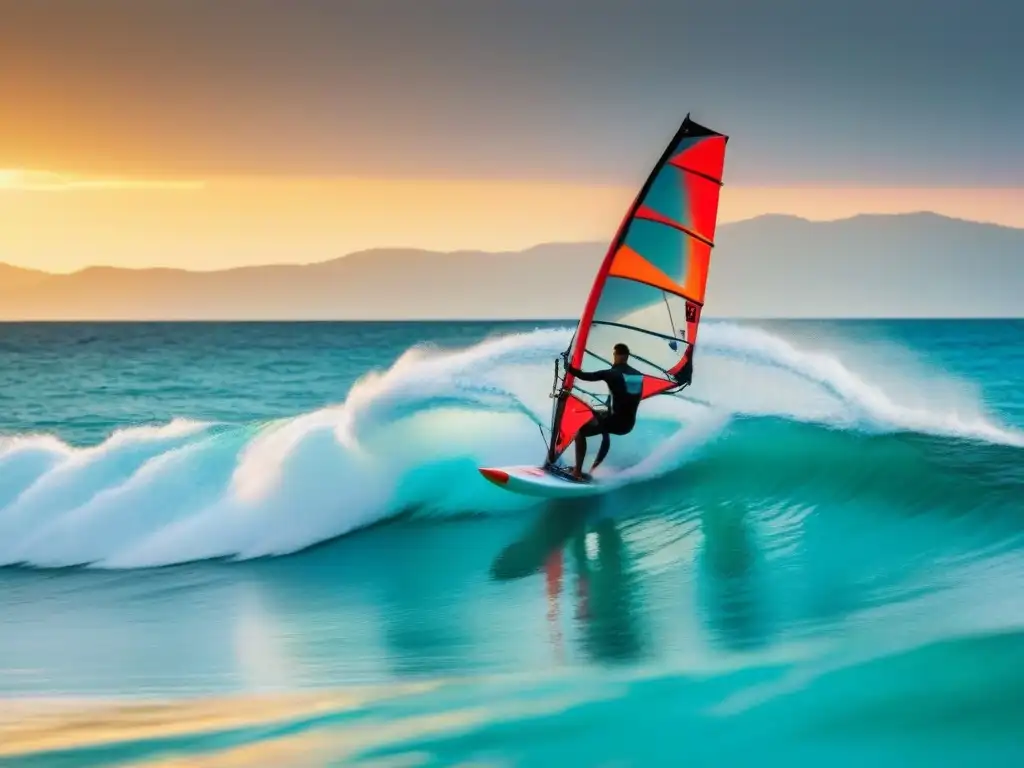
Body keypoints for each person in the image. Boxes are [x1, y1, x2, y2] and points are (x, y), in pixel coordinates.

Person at [561, 343, 644, 480]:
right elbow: (630, 398)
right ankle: (590, 467)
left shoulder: (611, 373)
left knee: (581, 431)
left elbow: (583, 376)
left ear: (615, 355)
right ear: (627, 356)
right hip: (628, 423)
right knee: (594, 417)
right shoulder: (638, 375)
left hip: (615, 421)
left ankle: (577, 472)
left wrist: (567, 365)